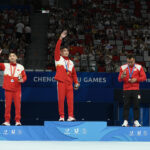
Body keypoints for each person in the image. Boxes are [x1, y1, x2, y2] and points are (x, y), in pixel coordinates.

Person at [54, 30, 80, 121]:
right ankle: (61, 116)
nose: (66, 52)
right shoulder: (58, 59)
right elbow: (57, 48)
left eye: (67, 51)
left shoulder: (71, 63)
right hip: (61, 83)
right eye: (64, 51)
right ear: (61, 53)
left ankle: (70, 116)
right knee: (61, 100)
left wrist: (76, 82)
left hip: (69, 84)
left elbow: (74, 74)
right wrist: (60, 38)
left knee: (70, 101)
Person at [0, 48, 27, 126]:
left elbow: (24, 77)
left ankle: (18, 121)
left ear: (16, 58)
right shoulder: (5, 65)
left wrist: (22, 80)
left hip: (17, 89)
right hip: (8, 89)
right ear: (8, 58)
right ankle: (7, 121)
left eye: (13, 56)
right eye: (10, 56)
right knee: (7, 106)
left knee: (18, 106)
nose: (12, 57)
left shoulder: (20, 67)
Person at [118, 54, 146, 127]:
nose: (130, 63)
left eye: (131, 62)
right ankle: (125, 121)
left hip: (136, 89)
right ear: (127, 60)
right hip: (126, 89)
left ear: (134, 60)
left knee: (136, 105)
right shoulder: (123, 67)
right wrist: (121, 76)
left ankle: (136, 121)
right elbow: (119, 79)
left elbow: (144, 77)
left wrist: (136, 79)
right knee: (126, 105)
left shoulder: (139, 67)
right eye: (128, 62)